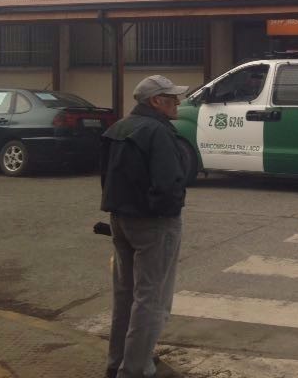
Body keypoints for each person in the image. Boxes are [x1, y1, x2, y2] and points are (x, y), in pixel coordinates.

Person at [100, 75, 190, 378]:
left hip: (121, 220)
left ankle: (117, 363)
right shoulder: (158, 131)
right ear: (156, 101)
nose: (177, 102)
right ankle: (136, 369)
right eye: (172, 97)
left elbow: (106, 178)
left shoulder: (119, 128)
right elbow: (168, 184)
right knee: (152, 299)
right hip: (154, 224)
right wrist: (165, 213)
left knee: (126, 296)